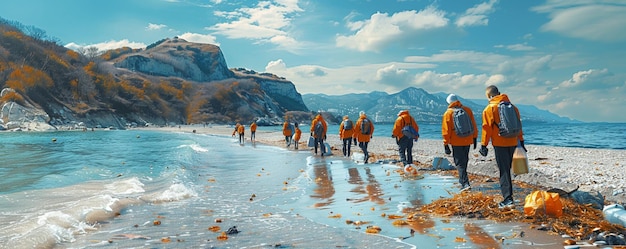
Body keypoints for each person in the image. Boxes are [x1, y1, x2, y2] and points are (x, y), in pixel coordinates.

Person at [479, 85, 526, 210]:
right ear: (499, 93)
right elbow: (519, 126)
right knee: (510, 170)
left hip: (500, 144)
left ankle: (508, 199)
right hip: (514, 142)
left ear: (489, 96)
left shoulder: (489, 109)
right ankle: (509, 196)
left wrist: (483, 145)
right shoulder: (513, 107)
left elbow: (486, 129)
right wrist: (521, 141)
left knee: (504, 172)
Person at [441, 94, 478, 192]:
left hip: (456, 141)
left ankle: (464, 183)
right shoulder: (467, 110)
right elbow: (473, 125)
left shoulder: (448, 113)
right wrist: (474, 138)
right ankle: (463, 180)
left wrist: (446, 144)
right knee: (464, 160)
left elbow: (446, 130)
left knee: (459, 163)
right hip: (468, 139)